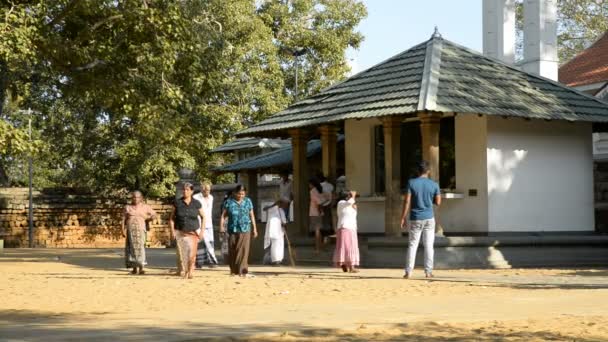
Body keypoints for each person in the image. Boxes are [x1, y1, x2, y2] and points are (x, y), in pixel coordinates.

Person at [400, 161, 441, 279]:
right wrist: (429, 200)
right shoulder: (434, 184)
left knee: (413, 245)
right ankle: (428, 272)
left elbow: (407, 201)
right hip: (429, 217)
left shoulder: (411, 183)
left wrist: (403, 217)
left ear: (418, 171)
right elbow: (438, 202)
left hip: (415, 217)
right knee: (429, 245)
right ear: (428, 171)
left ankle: (408, 272)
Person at [219, 184, 258, 277]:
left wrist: (255, 229)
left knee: (243, 250)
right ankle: (233, 270)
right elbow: (223, 216)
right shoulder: (229, 202)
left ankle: (242, 271)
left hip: (245, 228)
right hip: (232, 229)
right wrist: (221, 227)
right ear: (234, 193)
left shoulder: (248, 201)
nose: (241, 196)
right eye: (239, 194)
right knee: (233, 249)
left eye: (243, 194)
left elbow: (252, 215)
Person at [169, 182, 206, 279]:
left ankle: (190, 271)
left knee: (191, 253)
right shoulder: (177, 203)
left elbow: (203, 217)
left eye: (187, 190)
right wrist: (172, 231)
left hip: (192, 232)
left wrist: (202, 231)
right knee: (182, 253)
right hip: (180, 231)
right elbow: (171, 218)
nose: (185, 192)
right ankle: (184, 271)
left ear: (192, 191)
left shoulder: (197, 203)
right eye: (184, 190)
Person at [122, 190, 157, 275]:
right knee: (131, 249)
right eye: (134, 197)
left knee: (140, 248)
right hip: (131, 231)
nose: (135, 199)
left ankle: (141, 268)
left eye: (137, 197)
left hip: (141, 230)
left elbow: (154, 215)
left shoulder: (146, 207)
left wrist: (147, 217)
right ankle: (134, 269)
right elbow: (123, 219)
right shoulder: (127, 207)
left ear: (141, 198)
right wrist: (122, 229)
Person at [333, 190, 360, 273]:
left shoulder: (349, 205)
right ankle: (350, 266)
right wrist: (353, 196)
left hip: (351, 228)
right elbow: (349, 202)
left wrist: (355, 208)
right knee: (347, 247)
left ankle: (346, 264)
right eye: (349, 196)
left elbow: (353, 216)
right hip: (344, 227)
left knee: (350, 247)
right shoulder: (341, 203)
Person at [193, 182, 218, 268]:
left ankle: (211, 261)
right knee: (200, 243)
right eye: (205, 190)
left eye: (208, 190)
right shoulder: (196, 197)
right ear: (201, 189)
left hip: (209, 223)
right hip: (199, 223)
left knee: (210, 242)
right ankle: (198, 262)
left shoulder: (211, 197)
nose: (207, 191)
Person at [263, 199, 287, 265]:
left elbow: (265, 209)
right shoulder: (279, 211)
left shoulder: (272, 210)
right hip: (277, 232)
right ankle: (277, 260)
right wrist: (285, 230)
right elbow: (284, 222)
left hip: (272, 232)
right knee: (278, 246)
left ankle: (276, 260)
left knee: (274, 246)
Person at [309, 177, 324, 254]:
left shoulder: (312, 191)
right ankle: (320, 246)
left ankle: (317, 248)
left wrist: (318, 211)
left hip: (314, 213)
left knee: (316, 231)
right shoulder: (318, 191)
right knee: (319, 231)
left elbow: (318, 202)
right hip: (317, 213)